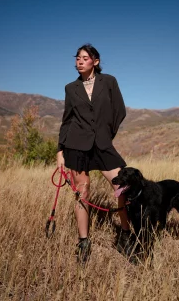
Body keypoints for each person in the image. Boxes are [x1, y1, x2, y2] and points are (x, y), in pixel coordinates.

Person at [57, 43, 131, 263]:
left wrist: (107, 134)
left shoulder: (109, 81)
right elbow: (67, 119)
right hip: (76, 145)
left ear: (95, 62)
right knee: (82, 192)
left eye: (85, 58)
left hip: (102, 144)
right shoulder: (70, 88)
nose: (79, 61)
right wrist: (60, 151)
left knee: (122, 186)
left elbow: (120, 110)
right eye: (77, 58)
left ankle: (126, 233)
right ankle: (83, 241)